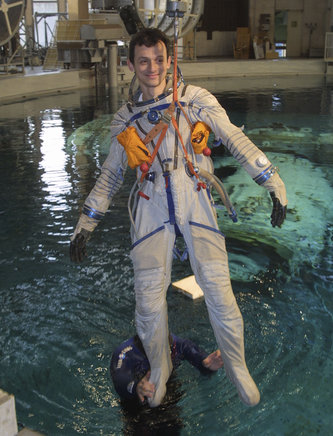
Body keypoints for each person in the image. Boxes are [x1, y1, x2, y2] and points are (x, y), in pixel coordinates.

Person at [70, 27, 287, 408]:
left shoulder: (196, 101)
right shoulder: (125, 120)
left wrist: (273, 183)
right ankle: (160, 368)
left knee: (219, 290)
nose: (152, 68)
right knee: (149, 303)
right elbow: (109, 176)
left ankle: (237, 367)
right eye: (143, 61)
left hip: (196, 201)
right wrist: (85, 226)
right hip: (151, 208)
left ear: (169, 60)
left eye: (158, 60)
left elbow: (235, 139)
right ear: (131, 65)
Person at [110, 333, 223, 403]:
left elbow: (198, 358)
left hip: (169, 396)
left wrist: (207, 366)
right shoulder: (125, 353)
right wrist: (136, 387)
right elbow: (120, 380)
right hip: (137, 403)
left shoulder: (177, 345)